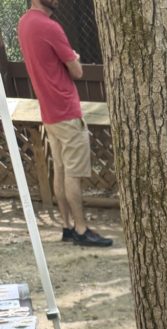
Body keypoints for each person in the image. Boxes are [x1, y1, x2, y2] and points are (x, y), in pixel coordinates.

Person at [17, 0, 112, 247]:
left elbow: (46, 62)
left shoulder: (24, 23)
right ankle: (82, 230)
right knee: (73, 174)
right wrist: (75, 58)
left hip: (48, 111)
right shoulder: (51, 27)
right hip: (66, 110)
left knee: (59, 170)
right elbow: (77, 71)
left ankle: (67, 226)